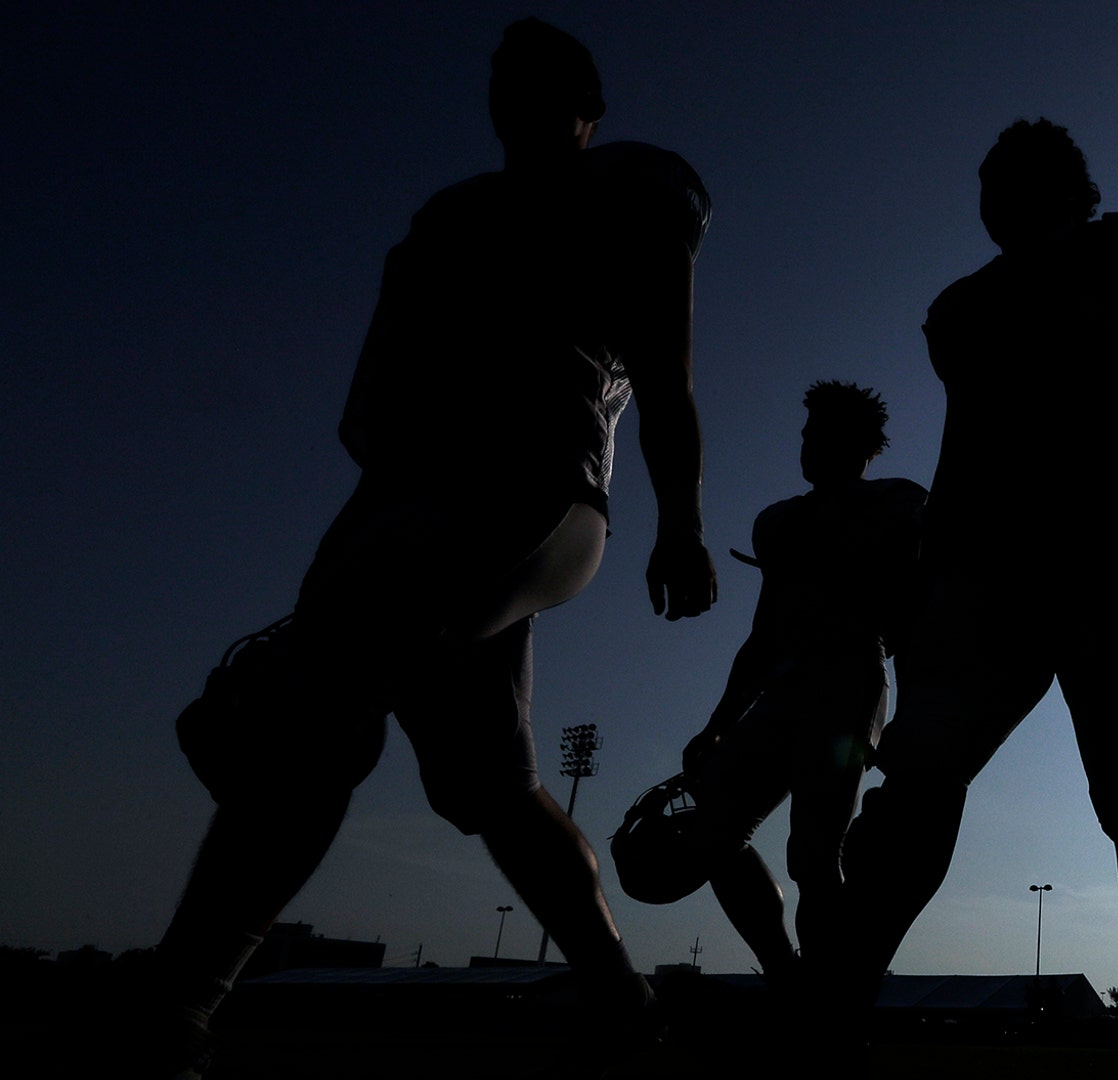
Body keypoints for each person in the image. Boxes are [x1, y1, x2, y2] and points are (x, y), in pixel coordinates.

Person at [143, 19, 715, 1076]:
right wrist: (360, 541)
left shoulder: (629, 189)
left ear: (588, 106)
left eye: (543, 83)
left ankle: (176, 1008)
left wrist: (679, 520)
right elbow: (381, 418)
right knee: (491, 789)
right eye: (509, 81)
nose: (521, 99)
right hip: (412, 506)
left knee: (323, 712)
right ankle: (624, 1000)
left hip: (538, 494)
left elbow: (665, 374)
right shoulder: (449, 219)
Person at [831, 119, 1118, 1037]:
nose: (992, 203)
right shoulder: (970, 306)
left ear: (1063, 188)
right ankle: (847, 998)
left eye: (1005, 184)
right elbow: (968, 449)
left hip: (1085, 565)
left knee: (1105, 798)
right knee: (962, 790)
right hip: (1031, 567)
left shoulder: (1108, 264)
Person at [673, 381, 924, 982]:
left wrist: (913, 720)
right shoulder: (781, 521)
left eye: (823, 435)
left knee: (814, 854)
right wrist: (717, 724)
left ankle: (825, 988)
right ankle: (786, 975)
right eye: (806, 434)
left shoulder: (899, 505)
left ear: (862, 449)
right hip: (786, 689)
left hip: (852, 682)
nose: (808, 446)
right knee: (714, 832)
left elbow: (917, 620)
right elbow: (764, 637)